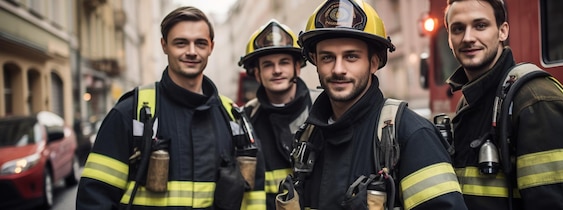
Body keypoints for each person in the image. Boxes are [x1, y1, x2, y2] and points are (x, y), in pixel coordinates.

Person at [278, 0, 468, 209]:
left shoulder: (412, 134)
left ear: (374, 62)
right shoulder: (310, 137)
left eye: (351, 56)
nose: (338, 69)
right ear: (315, 61)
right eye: (327, 57)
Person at [76, 6, 248, 209]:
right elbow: (95, 198)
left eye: (200, 43)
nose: (191, 51)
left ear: (211, 46)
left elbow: (251, 194)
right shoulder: (130, 113)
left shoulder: (231, 116)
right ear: (164, 45)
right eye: (181, 43)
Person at [444, 0, 563, 209]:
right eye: (458, 28)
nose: (468, 38)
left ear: (502, 31)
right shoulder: (470, 101)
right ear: (449, 39)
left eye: (480, 25)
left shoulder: (536, 100)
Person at [237, 19, 316, 209]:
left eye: (284, 62)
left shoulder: (321, 108)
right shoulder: (245, 119)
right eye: (268, 65)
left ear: (297, 67)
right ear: (257, 73)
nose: (277, 70)